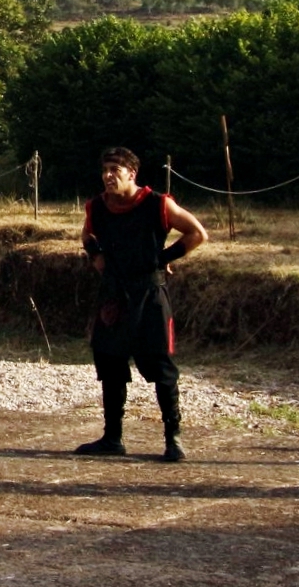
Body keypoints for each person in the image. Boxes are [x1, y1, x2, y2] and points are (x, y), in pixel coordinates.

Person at [76, 147, 208, 463]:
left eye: (115, 170)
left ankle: (173, 440)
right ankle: (112, 438)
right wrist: (96, 256)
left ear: (131, 174)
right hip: (113, 295)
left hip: (149, 295)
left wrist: (162, 259)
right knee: (110, 365)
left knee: (161, 367)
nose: (108, 176)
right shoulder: (97, 206)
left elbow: (197, 233)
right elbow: (86, 235)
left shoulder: (158, 204)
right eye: (105, 169)